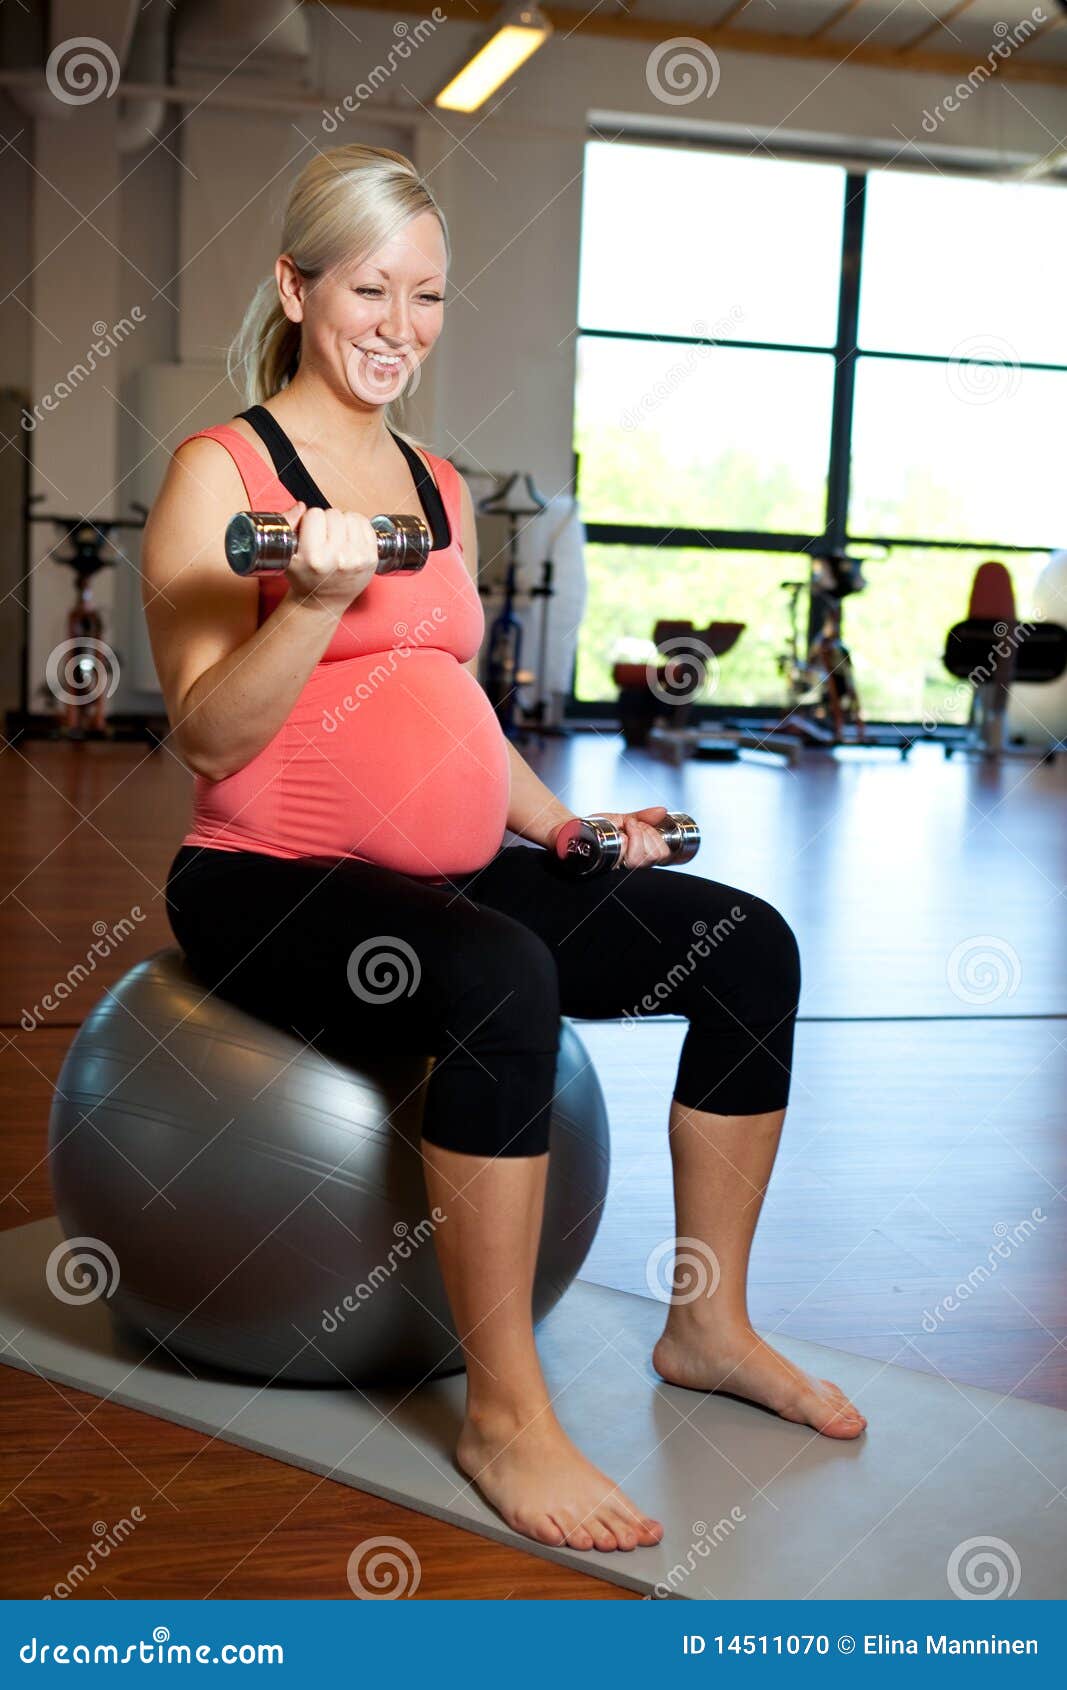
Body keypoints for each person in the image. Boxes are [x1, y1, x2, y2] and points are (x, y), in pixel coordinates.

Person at [141, 143, 865, 1559]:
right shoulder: (214, 472)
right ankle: (505, 1411)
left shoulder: (436, 484)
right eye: (369, 289)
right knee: (501, 975)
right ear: (294, 288)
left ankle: (707, 1322)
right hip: (268, 884)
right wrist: (305, 605)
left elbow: (448, 705)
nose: (400, 324)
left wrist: (571, 826)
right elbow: (213, 740)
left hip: (456, 868)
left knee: (747, 947)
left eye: (428, 294)